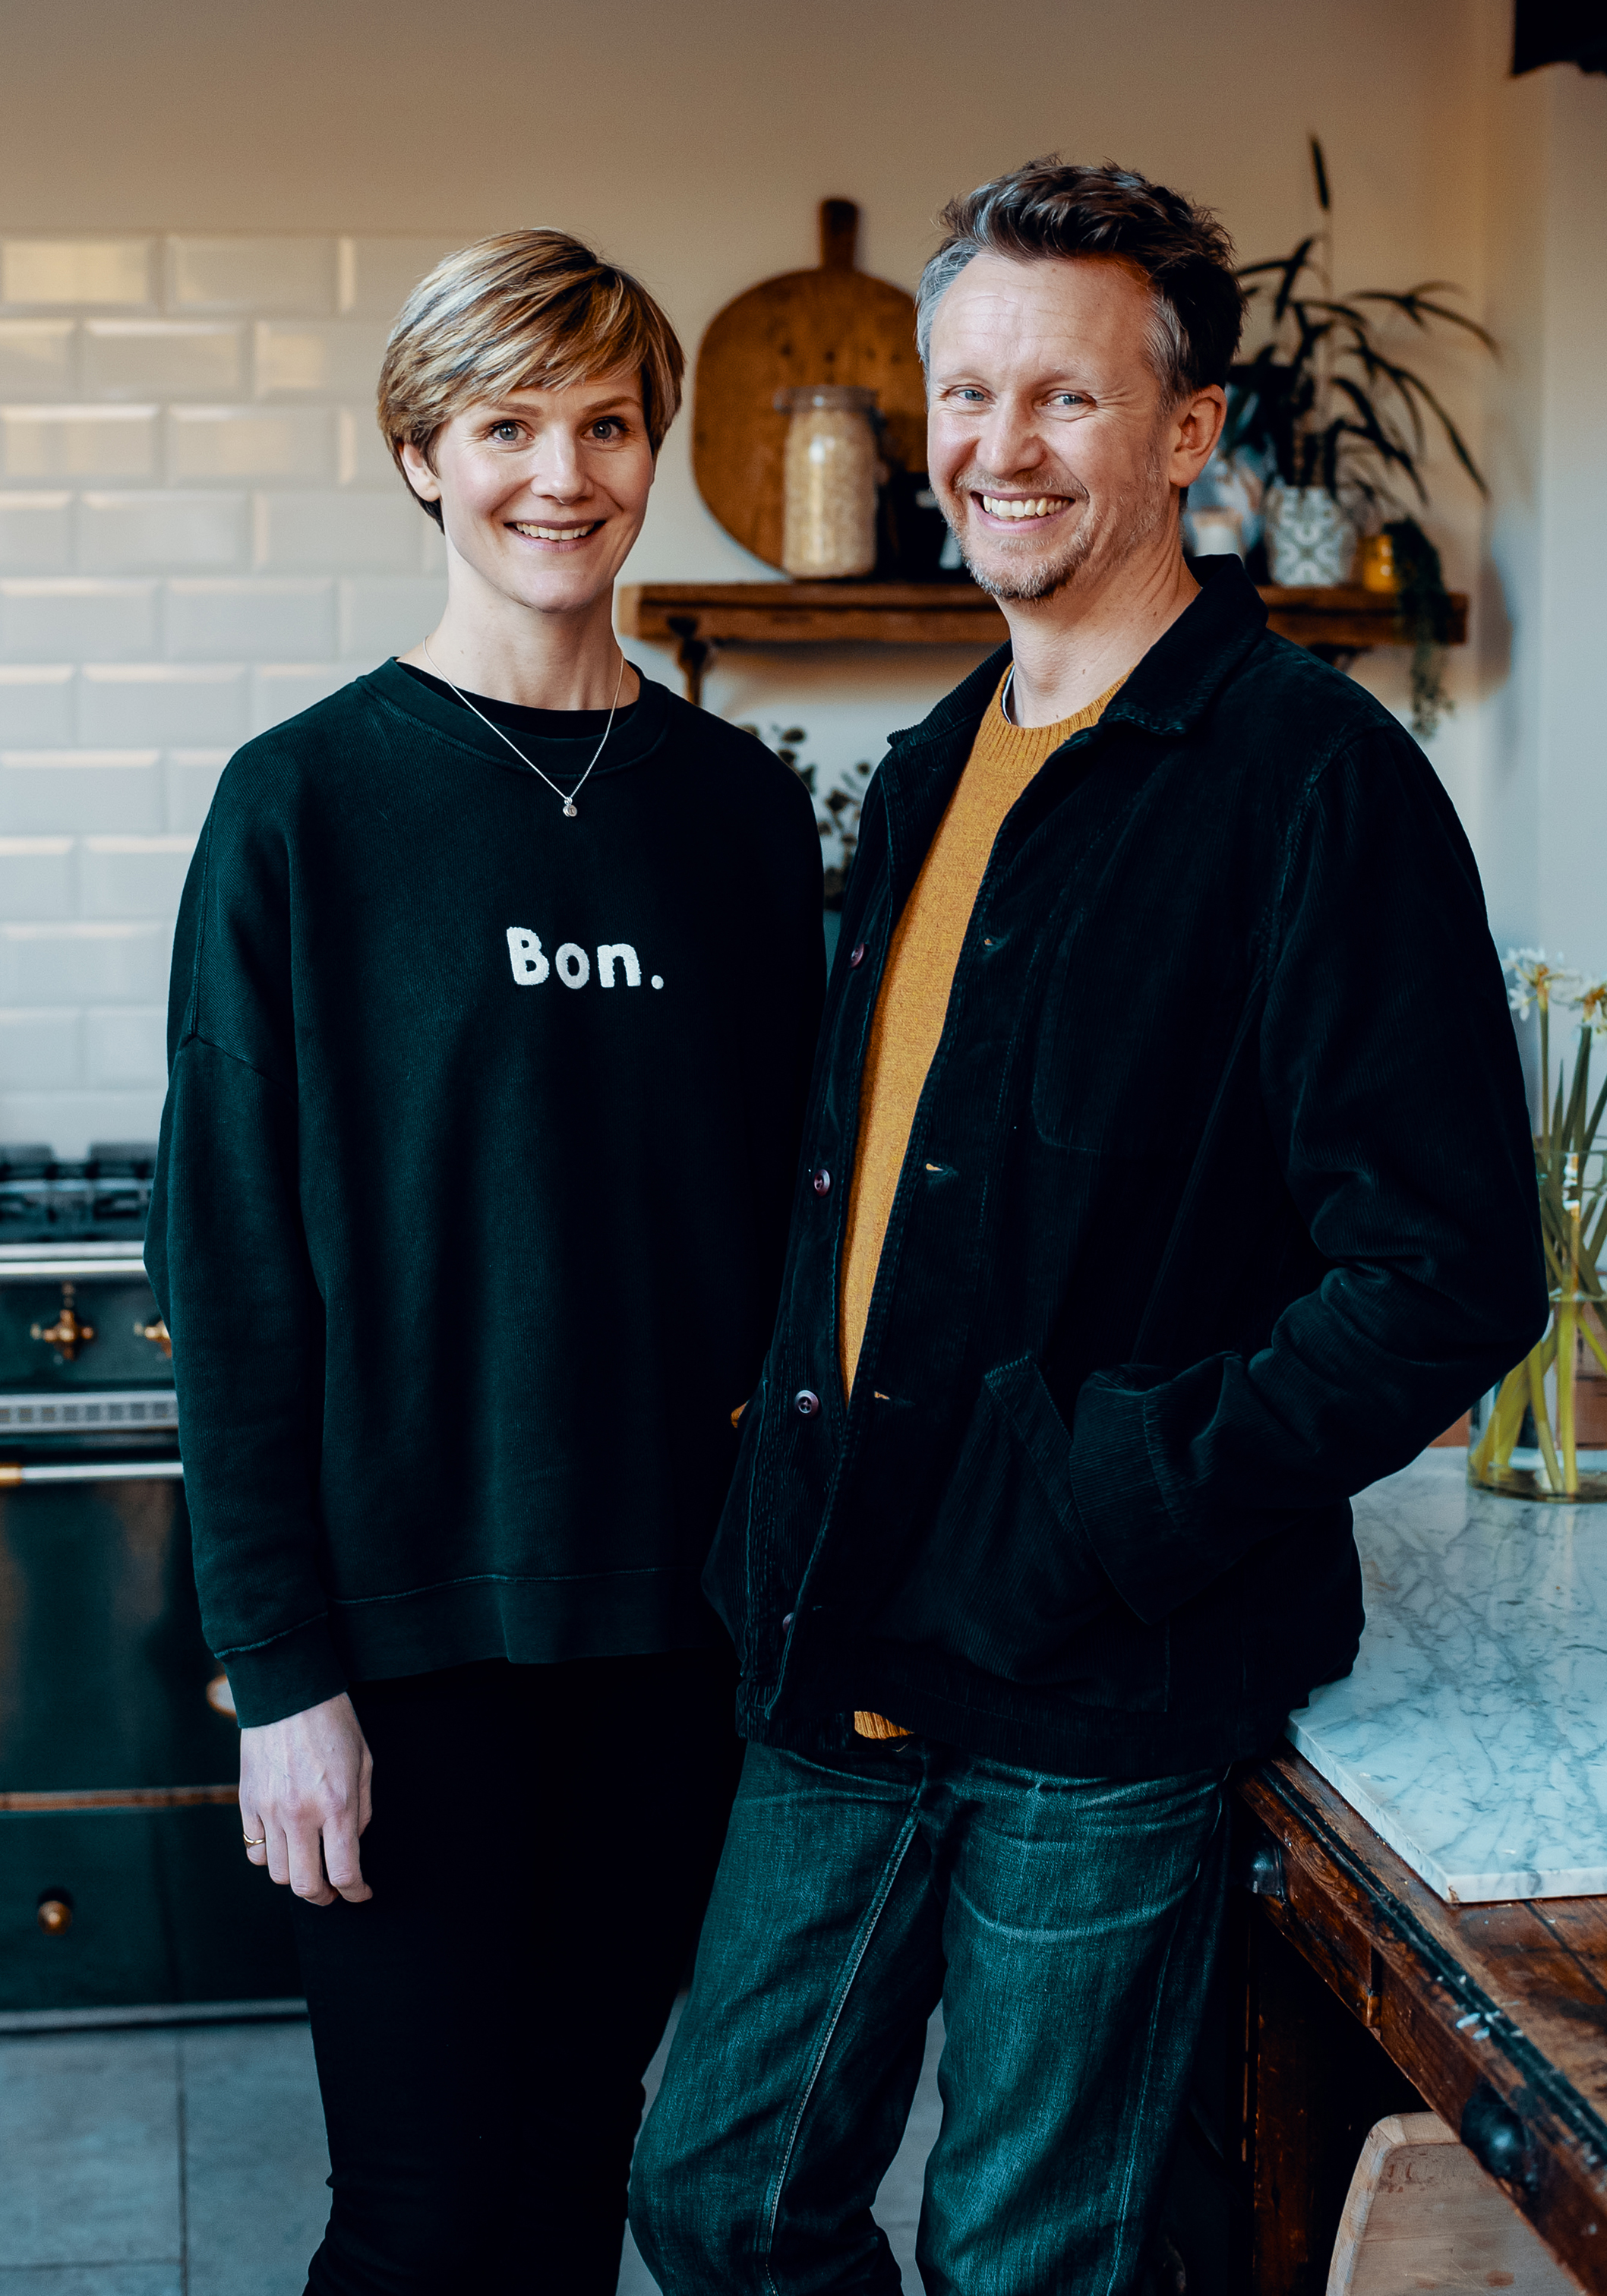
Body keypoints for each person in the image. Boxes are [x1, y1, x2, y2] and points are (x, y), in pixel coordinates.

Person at [628, 159, 1546, 2295]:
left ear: (1189, 429)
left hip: (1104, 1669)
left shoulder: (1315, 782)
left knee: (1033, 2254)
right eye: (968, 394)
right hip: (846, 1620)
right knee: (717, 2195)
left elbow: (1446, 1271)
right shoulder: (937, 764)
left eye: (1065, 394)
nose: (999, 447)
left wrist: (1117, 1491)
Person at [145, 229, 823, 2294]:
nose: (562, 473)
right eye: (507, 424)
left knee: (567, 2175)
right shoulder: (302, 808)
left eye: (607, 424)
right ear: (422, 456)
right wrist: (282, 1680)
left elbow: (795, 1237)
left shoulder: (738, 815)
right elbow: (230, 1272)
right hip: (404, 1645)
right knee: (419, 2218)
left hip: (672, 1640)